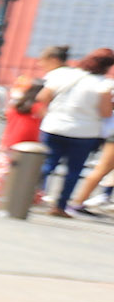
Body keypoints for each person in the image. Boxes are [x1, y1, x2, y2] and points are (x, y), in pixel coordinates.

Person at [36, 46, 114, 216]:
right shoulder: (103, 85)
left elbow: (42, 96)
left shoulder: (66, 75)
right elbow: (105, 112)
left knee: (46, 164)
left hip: (54, 125)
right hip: (84, 132)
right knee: (73, 171)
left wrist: (52, 111)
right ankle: (60, 206)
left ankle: (27, 194)